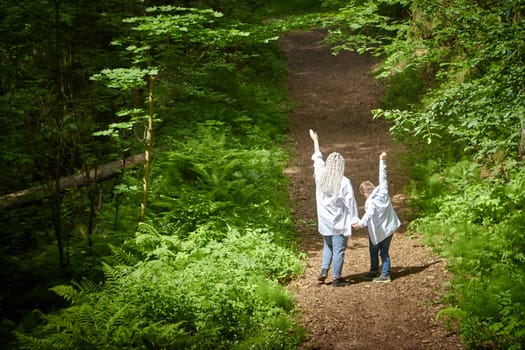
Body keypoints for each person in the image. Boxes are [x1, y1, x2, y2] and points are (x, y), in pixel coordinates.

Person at [309, 129, 359, 287]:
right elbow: (350, 202)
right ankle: (337, 278)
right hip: (338, 222)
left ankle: (324, 271)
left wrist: (315, 140)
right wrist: (354, 219)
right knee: (338, 250)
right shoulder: (344, 181)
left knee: (328, 245)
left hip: (324, 221)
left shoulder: (320, 176)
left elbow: (317, 159)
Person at [352, 152, 401, 283]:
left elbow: (368, 215)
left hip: (380, 231)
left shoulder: (371, 202)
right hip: (389, 228)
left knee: (382, 253)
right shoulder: (383, 191)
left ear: (364, 192)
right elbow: (383, 176)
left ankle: (385, 275)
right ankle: (374, 270)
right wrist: (382, 160)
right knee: (375, 250)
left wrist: (360, 225)